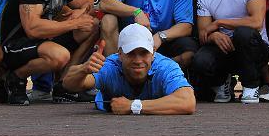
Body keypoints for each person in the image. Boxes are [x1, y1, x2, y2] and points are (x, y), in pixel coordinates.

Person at [191, 0, 269, 104]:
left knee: (243, 33)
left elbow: (256, 22)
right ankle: (222, 82)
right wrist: (214, 36)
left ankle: (251, 85)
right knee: (200, 60)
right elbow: (204, 32)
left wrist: (219, 23)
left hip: (254, 48)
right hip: (226, 48)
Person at [62, 24, 196, 115]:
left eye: (144, 53)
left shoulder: (166, 67)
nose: (138, 60)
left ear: (153, 53)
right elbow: (69, 85)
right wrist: (83, 69)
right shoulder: (110, 66)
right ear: (120, 54)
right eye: (131, 53)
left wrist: (133, 106)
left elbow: (188, 102)